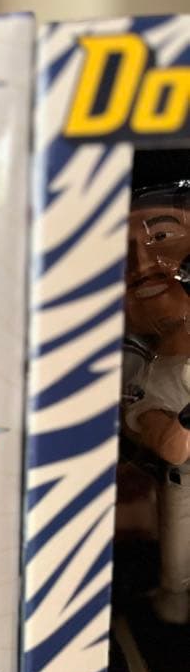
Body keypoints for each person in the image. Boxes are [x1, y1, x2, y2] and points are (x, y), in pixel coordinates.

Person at [122, 153, 190, 625]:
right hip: (183, 483)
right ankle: (174, 600)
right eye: (122, 251)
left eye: (161, 237)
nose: (144, 263)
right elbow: (166, 443)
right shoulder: (149, 373)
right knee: (178, 558)